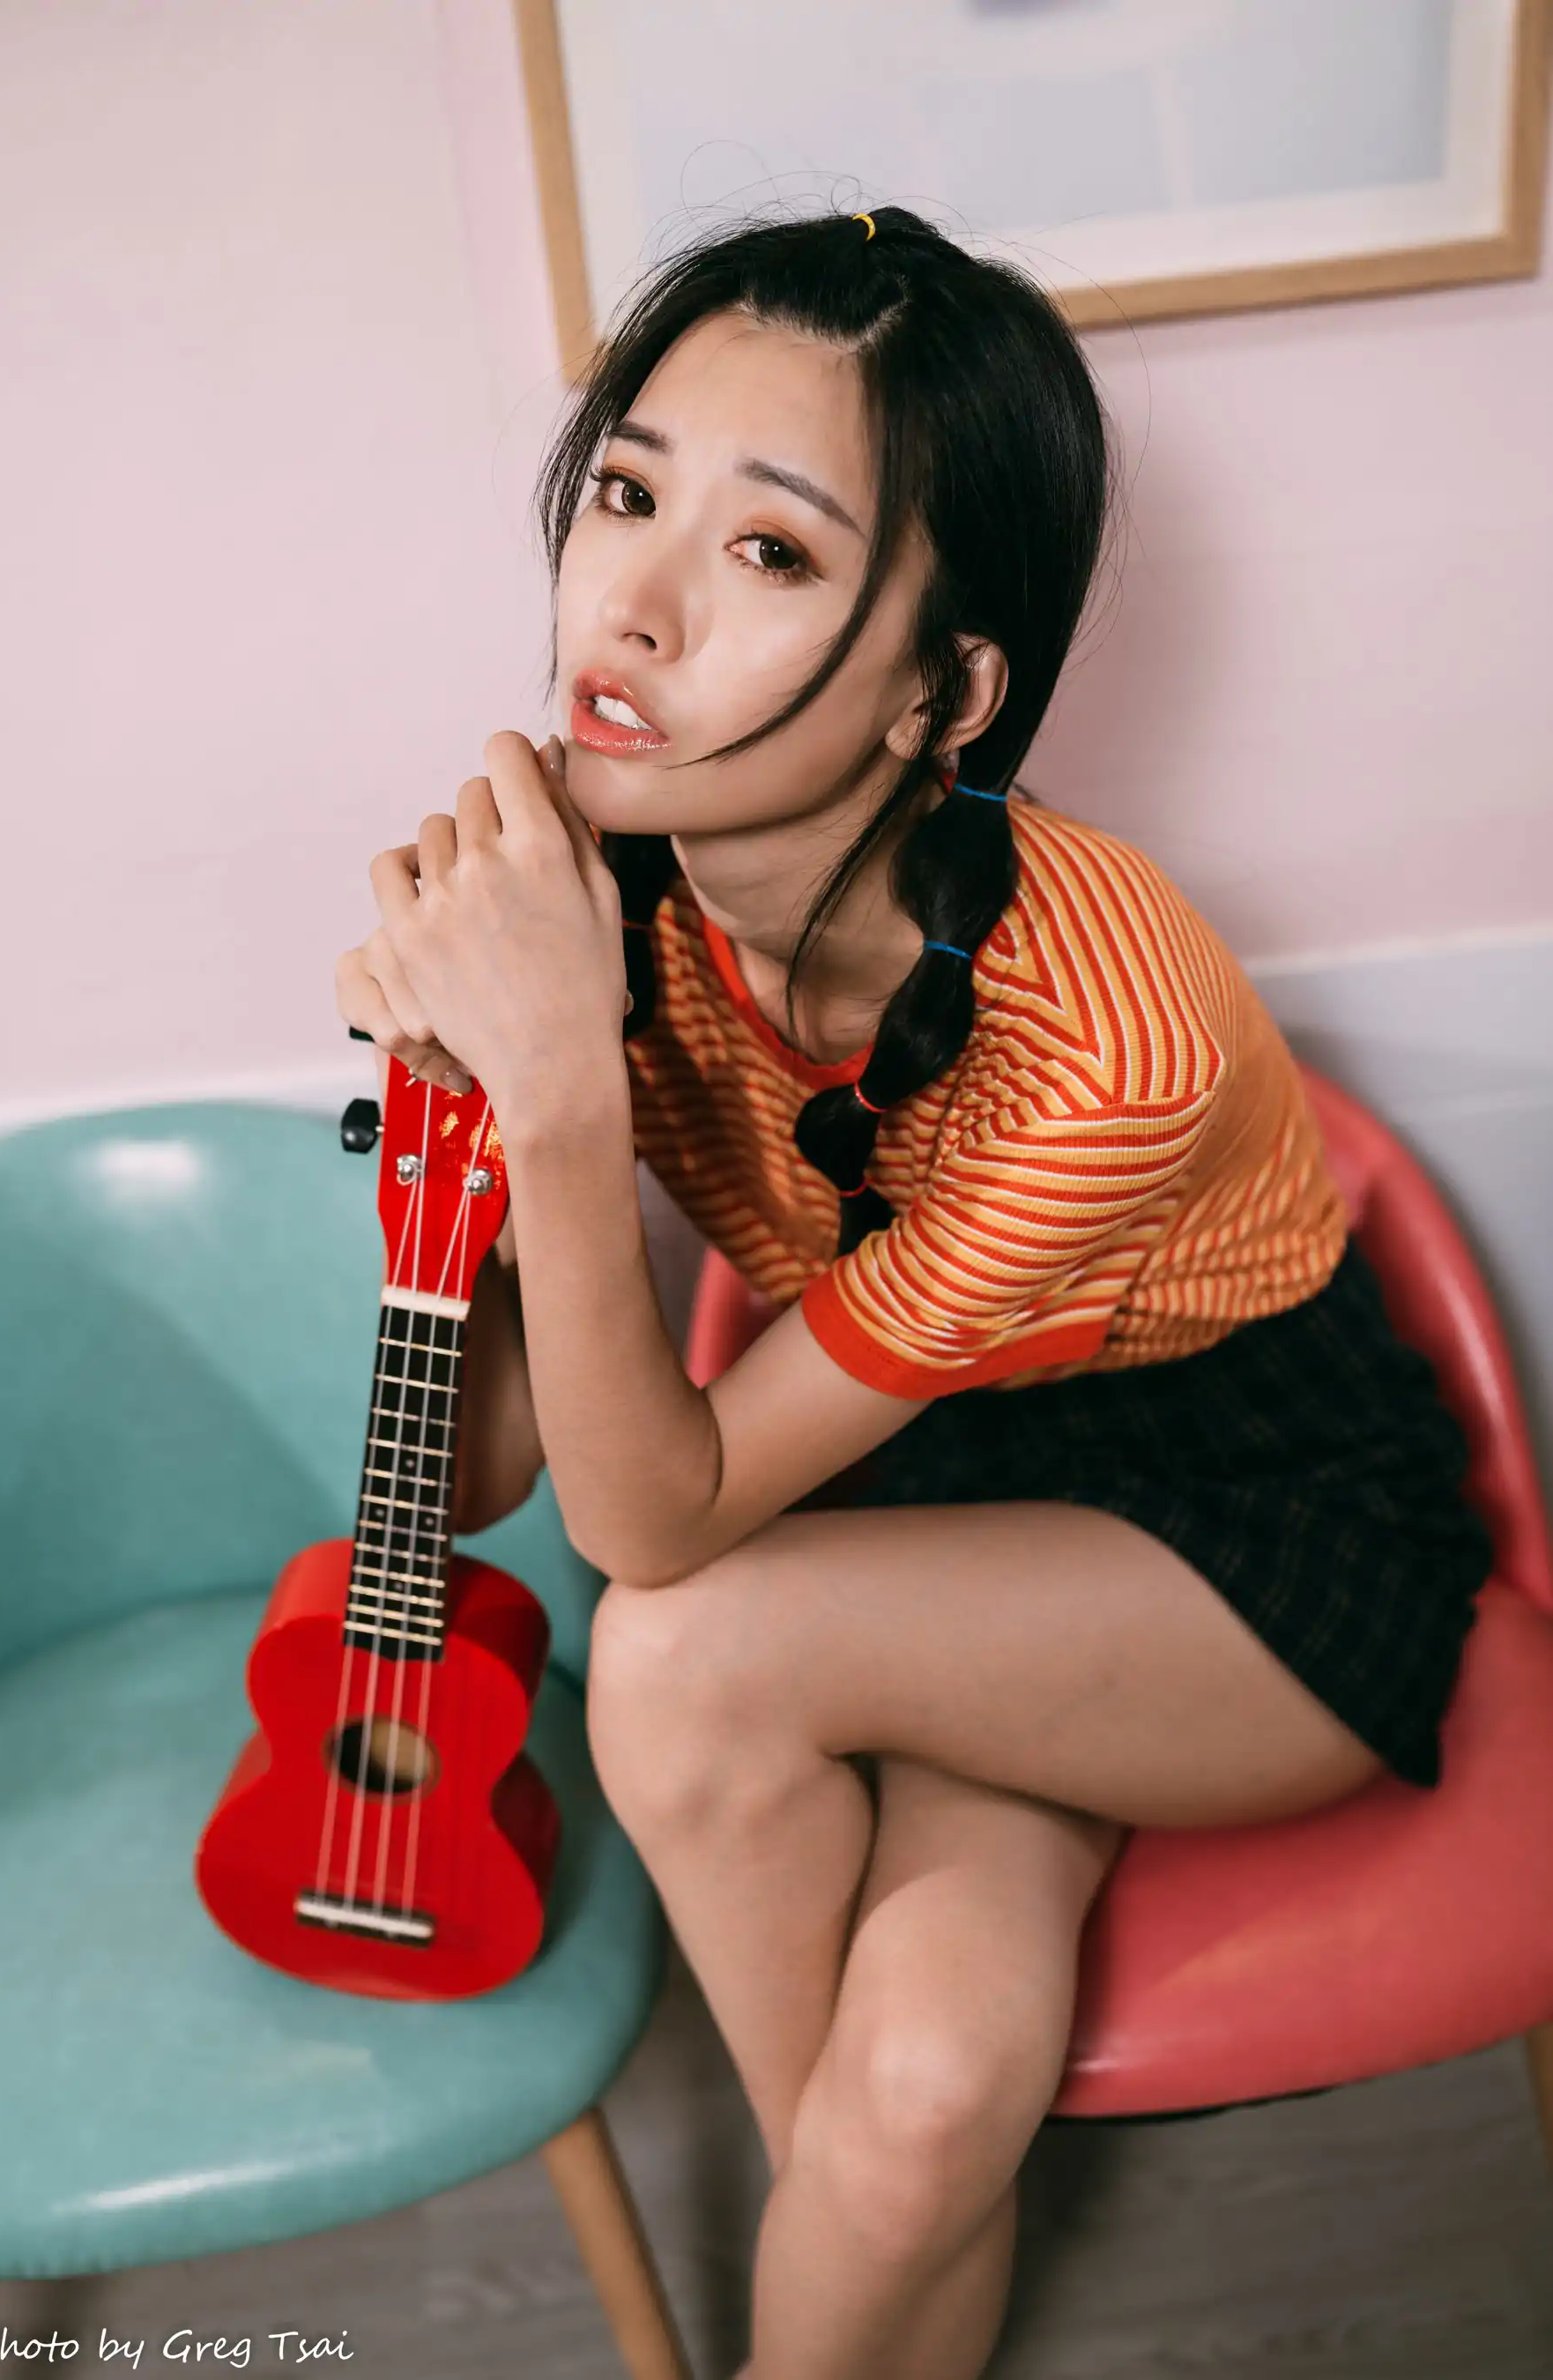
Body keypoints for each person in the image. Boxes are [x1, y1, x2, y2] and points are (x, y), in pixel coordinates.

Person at [334, 205, 1493, 2380]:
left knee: (678, 1652)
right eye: (627, 494)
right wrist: (454, 1123)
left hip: (1247, 1518)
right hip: (912, 1484)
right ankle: (856, 2270)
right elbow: (480, 1469)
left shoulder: (1103, 1037)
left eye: (770, 551)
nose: (634, 606)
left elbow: (651, 1527)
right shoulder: (592, 891)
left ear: (944, 693)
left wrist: (560, 1093)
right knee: (920, 2105)